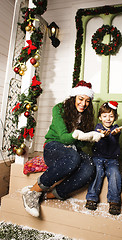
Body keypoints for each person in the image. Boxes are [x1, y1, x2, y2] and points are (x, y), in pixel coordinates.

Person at [22, 80, 104, 217]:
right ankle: (33, 192)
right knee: (73, 157)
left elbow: (81, 145)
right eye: (81, 99)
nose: (84, 104)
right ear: (74, 98)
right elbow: (64, 138)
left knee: (89, 167)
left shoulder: (87, 116)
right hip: (54, 146)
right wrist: (80, 135)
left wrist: (91, 137)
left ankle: (47, 195)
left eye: (88, 101)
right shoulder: (59, 108)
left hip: (73, 150)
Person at [85, 101, 122, 215]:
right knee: (97, 172)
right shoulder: (98, 128)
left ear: (115, 117)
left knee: (115, 174)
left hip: (112, 160)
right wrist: (103, 135)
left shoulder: (116, 129)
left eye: (111, 116)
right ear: (100, 117)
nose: (108, 119)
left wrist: (114, 134)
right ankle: (92, 197)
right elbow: (101, 138)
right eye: (105, 116)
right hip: (98, 158)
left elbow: (114, 137)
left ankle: (114, 201)